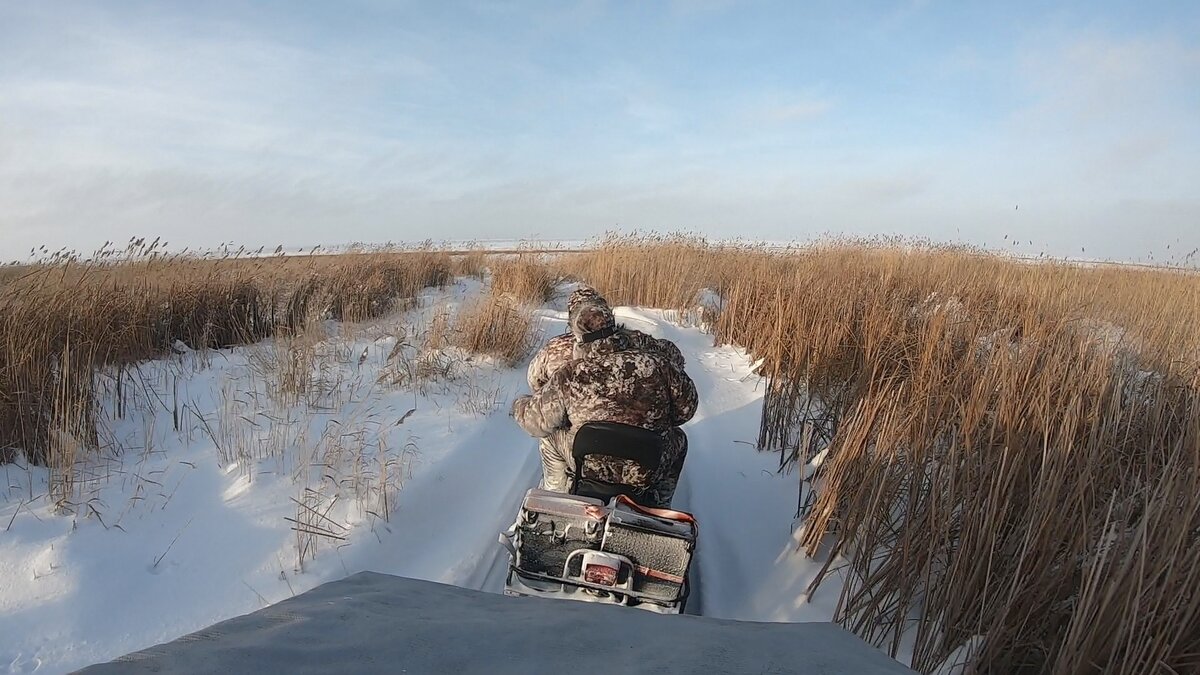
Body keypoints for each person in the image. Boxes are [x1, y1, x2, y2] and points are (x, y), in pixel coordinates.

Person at [512, 304, 697, 508]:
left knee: (549, 437)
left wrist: (520, 404)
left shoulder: (571, 373)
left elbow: (534, 423)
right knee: (679, 438)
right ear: (616, 329)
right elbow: (686, 411)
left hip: (588, 467)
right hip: (645, 469)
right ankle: (658, 507)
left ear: (579, 339)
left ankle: (558, 500)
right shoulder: (657, 364)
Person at [526, 285, 685, 392]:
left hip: (574, 433)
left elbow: (535, 383)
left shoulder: (554, 348)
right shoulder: (636, 340)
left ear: (572, 319)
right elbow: (674, 357)